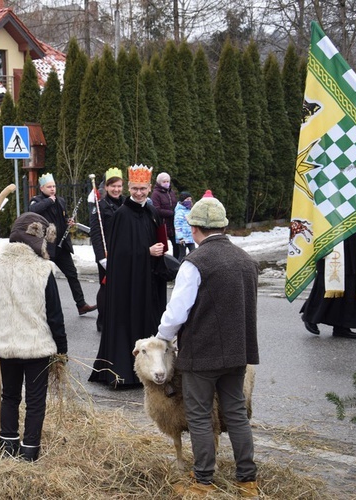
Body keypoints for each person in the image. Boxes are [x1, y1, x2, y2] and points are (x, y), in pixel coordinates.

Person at [151, 194, 259, 497]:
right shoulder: (246, 261)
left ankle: (202, 481)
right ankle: (247, 479)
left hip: (203, 353)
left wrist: (163, 337)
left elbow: (177, 312)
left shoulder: (195, 263)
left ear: (196, 228)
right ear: (222, 226)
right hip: (238, 352)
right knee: (236, 412)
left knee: (199, 415)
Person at [0, 212, 67, 462]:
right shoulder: (42, 269)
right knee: (35, 399)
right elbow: (55, 314)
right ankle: (30, 450)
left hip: (5, 344)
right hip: (35, 346)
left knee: (9, 395)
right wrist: (61, 350)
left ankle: (7, 446)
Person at [89, 165, 168, 388]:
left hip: (148, 281)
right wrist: (146, 252)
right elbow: (119, 255)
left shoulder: (152, 212)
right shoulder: (122, 215)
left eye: (143, 188)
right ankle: (125, 373)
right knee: (127, 325)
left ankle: (149, 370)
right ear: (130, 188)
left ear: (150, 187)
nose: (139, 193)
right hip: (128, 285)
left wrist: (160, 249)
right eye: (135, 188)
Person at [29, 173, 96, 315]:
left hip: (61, 246)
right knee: (46, 279)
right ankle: (41, 309)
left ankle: (81, 304)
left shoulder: (60, 200)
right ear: (42, 188)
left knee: (72, 274)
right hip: (46, 247)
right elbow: (32, 211)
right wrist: (49, 201)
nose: (53, 189)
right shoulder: (36, 200)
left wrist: (68, 221)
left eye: (54, 186)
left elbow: (63, 217)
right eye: (49, 187)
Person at [300, 230, 356, 339]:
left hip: (352, 234)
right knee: (328, 280)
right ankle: (311, 316)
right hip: (332, 234)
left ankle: (342, 325)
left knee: (350, 280)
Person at [89, 168, 125, 333]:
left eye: (119, 186)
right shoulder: (100, 206)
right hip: (107, 254)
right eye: (113, 186)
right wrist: (101, 258)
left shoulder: (126, 203)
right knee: (107, 288)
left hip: (124, 253)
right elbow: (96, 234)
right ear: (106, 187)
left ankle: (118, 319)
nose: (116, 189)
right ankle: (102, 321)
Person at [151, 172, 179, 259]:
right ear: (159, 182)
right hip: (162, 223)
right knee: (162, 246)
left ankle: (176, 264)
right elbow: (157, 209)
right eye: (164, 181)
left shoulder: (171, 192)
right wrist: (171, 213)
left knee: (176, 245)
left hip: (173, 224)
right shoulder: (156, 194)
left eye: (168, 181)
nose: (166, 183)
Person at [174, 191, 195, 262]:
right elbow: (177, 225)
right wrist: (180, 237)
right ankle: (177, 269)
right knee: (182, 254)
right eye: (187, 200)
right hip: (182, 239)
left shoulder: (190, 211)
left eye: (190, 199)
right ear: (182, 200)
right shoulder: (179, 212)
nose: (189, 201)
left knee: (194, 253)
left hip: (190, 237)